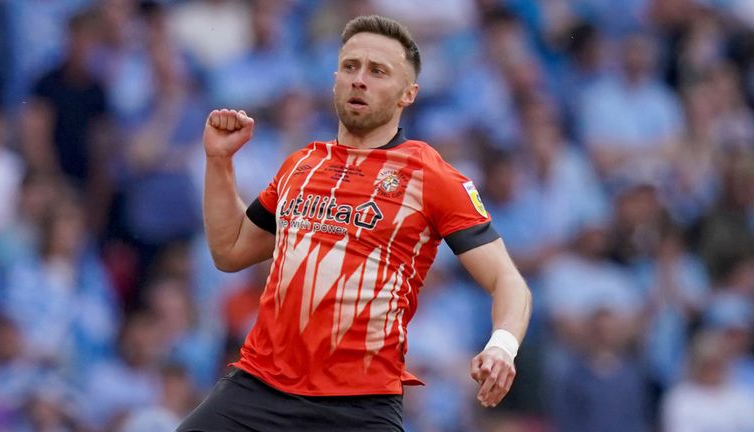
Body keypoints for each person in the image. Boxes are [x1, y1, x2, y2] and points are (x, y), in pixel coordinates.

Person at [177, 15, 532, 431]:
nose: (359, 79)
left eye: (377, 71)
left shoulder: (430, 176)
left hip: (357, 406)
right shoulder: (302, 164)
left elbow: (508, 281)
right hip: (259, 386)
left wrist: (502, 347)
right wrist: (219, 162)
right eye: (350, 67)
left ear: (408, 94)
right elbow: (230, 250)